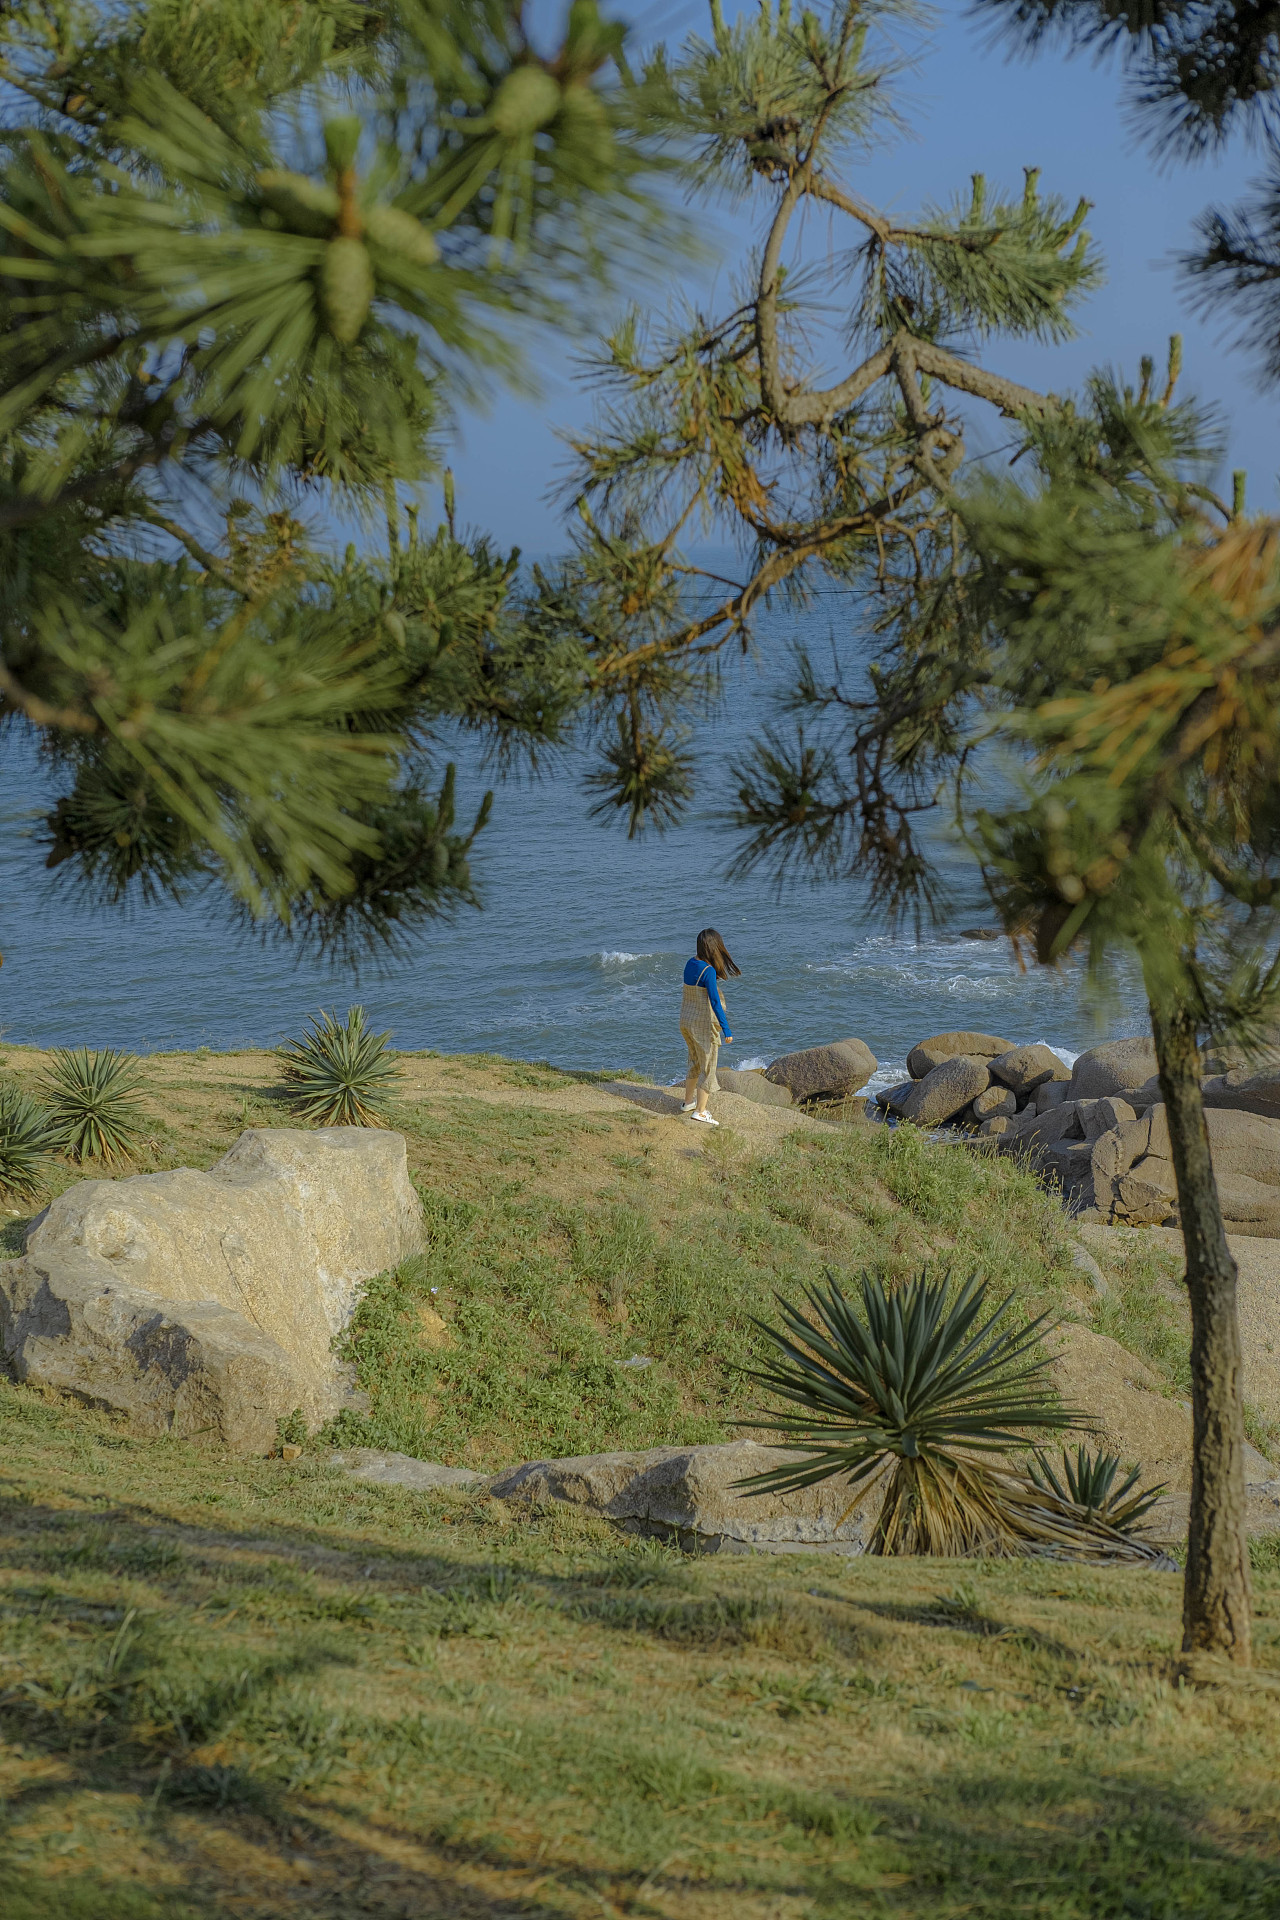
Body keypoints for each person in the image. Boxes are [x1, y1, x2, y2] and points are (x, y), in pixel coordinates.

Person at [680, 928, 740, 1126]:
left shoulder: (690, 963)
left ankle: (688, 1102)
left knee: (695, 1062)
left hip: (686, 1021)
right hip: (703, 1026)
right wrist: (726, 1030)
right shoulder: (709, 971)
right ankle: (700, 1111)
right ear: (715, 948)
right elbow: (714, 1002)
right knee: (708, 1068)